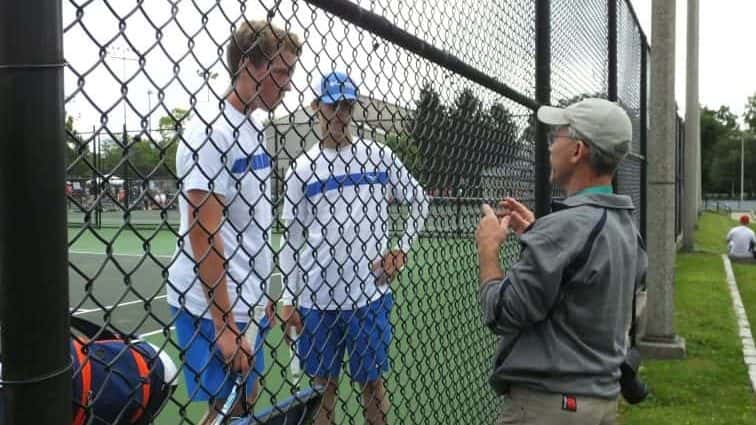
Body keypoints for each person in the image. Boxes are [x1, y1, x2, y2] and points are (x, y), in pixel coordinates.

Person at [476, 98, 647, 425]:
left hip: (548, 407)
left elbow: (502, 313)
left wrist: (488, 250)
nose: (550, 145)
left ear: (577, 151)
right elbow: (586, 282)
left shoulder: (566, 228)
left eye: (558, 136)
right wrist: (542, 233)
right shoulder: (624, 226)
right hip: (600, 402)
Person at [166, 20, 301, 424]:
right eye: (282, 72)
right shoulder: (211, 132)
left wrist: (261, 293)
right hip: (210, 304)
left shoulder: (252, 128)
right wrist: (224, 326)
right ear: (249, 66)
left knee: (244, 401)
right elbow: (203, 233)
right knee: (225, 410)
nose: (289, 84)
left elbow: (250, 225)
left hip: (246, 298)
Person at [277, 71, 429, 425]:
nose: (340, 113)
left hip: (368, 296)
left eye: (347, 105)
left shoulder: (378, 155)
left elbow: (419, 200)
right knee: (321, 391)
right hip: (316, 299)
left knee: (373, 385)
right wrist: (289, 298)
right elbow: (292, 239)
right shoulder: (301, 170)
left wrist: (401, 249)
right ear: (317, 107)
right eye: (333, 105)